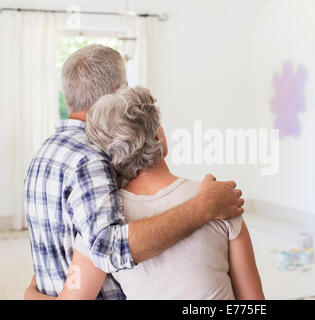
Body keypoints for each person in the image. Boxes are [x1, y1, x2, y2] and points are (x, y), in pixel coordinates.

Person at [24, 45, 244, 299]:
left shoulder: (45, 152)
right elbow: (108, 249)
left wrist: (33, 295)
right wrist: (202, 207)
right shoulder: (91, 158)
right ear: (119, 93)